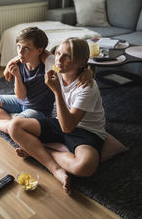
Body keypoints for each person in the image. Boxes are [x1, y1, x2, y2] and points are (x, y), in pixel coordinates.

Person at [7, 38, 107, 194]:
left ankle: (38, 151)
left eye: (67, 56)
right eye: (58, 53)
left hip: (85, 130)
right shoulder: (55, 66)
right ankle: (55, 169)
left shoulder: (87, 87)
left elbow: (68, 127)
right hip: (59, 121)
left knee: (85, 167)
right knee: (14, 125)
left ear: (80, 63)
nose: (59, 59)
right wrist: (9, 64)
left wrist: (57, 91)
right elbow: (33, 53)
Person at [0, 27, 92, 134]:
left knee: (14, 124)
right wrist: (17, 75)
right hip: (22, 102)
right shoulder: (20, 63)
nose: (20, 52)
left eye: (26, 48)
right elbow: (21, 96)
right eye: (18, 46)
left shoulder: (51, 68)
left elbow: (71, 69)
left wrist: (87, 72)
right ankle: (10, 125)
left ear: (39, 51)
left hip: (39, 110)